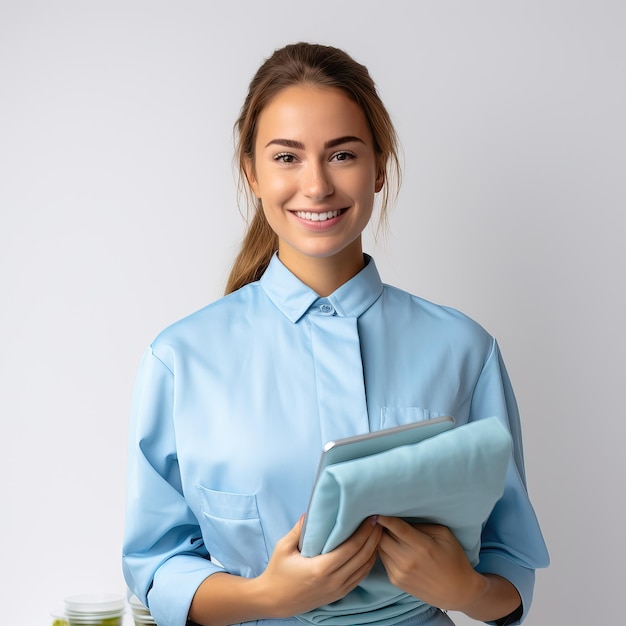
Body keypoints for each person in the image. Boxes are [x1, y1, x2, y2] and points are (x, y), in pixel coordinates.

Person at [122, 42, 549, 626]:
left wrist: (463, 588)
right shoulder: (181, 359)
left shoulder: (465, 350)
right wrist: (267, 597)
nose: (317, 185)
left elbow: (512, 565)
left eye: (342, 154)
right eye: (287, 157)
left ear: (379, 165)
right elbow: (156, 564)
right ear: (251, 172)